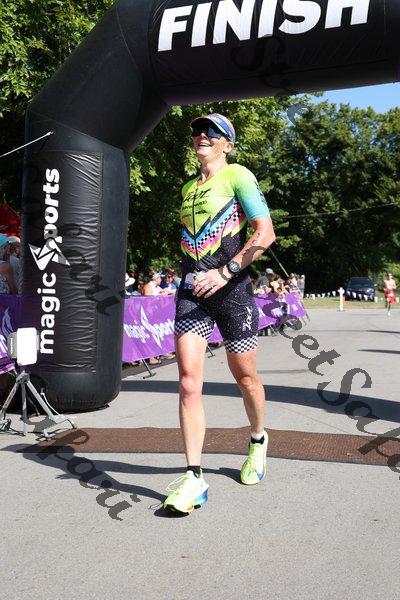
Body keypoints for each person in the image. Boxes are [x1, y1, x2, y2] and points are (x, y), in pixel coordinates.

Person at [163, 112, 276, 514]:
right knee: (188, 382)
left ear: (228, 143)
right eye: (198, 130)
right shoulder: (187, 187)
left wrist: (225, 271)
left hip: (232, 291)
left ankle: (258, 439)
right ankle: (194, 477)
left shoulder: (238, 175)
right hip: (192, 294)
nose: (202, 135)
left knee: (245, 378)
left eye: (213, 131)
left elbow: (265, 232)